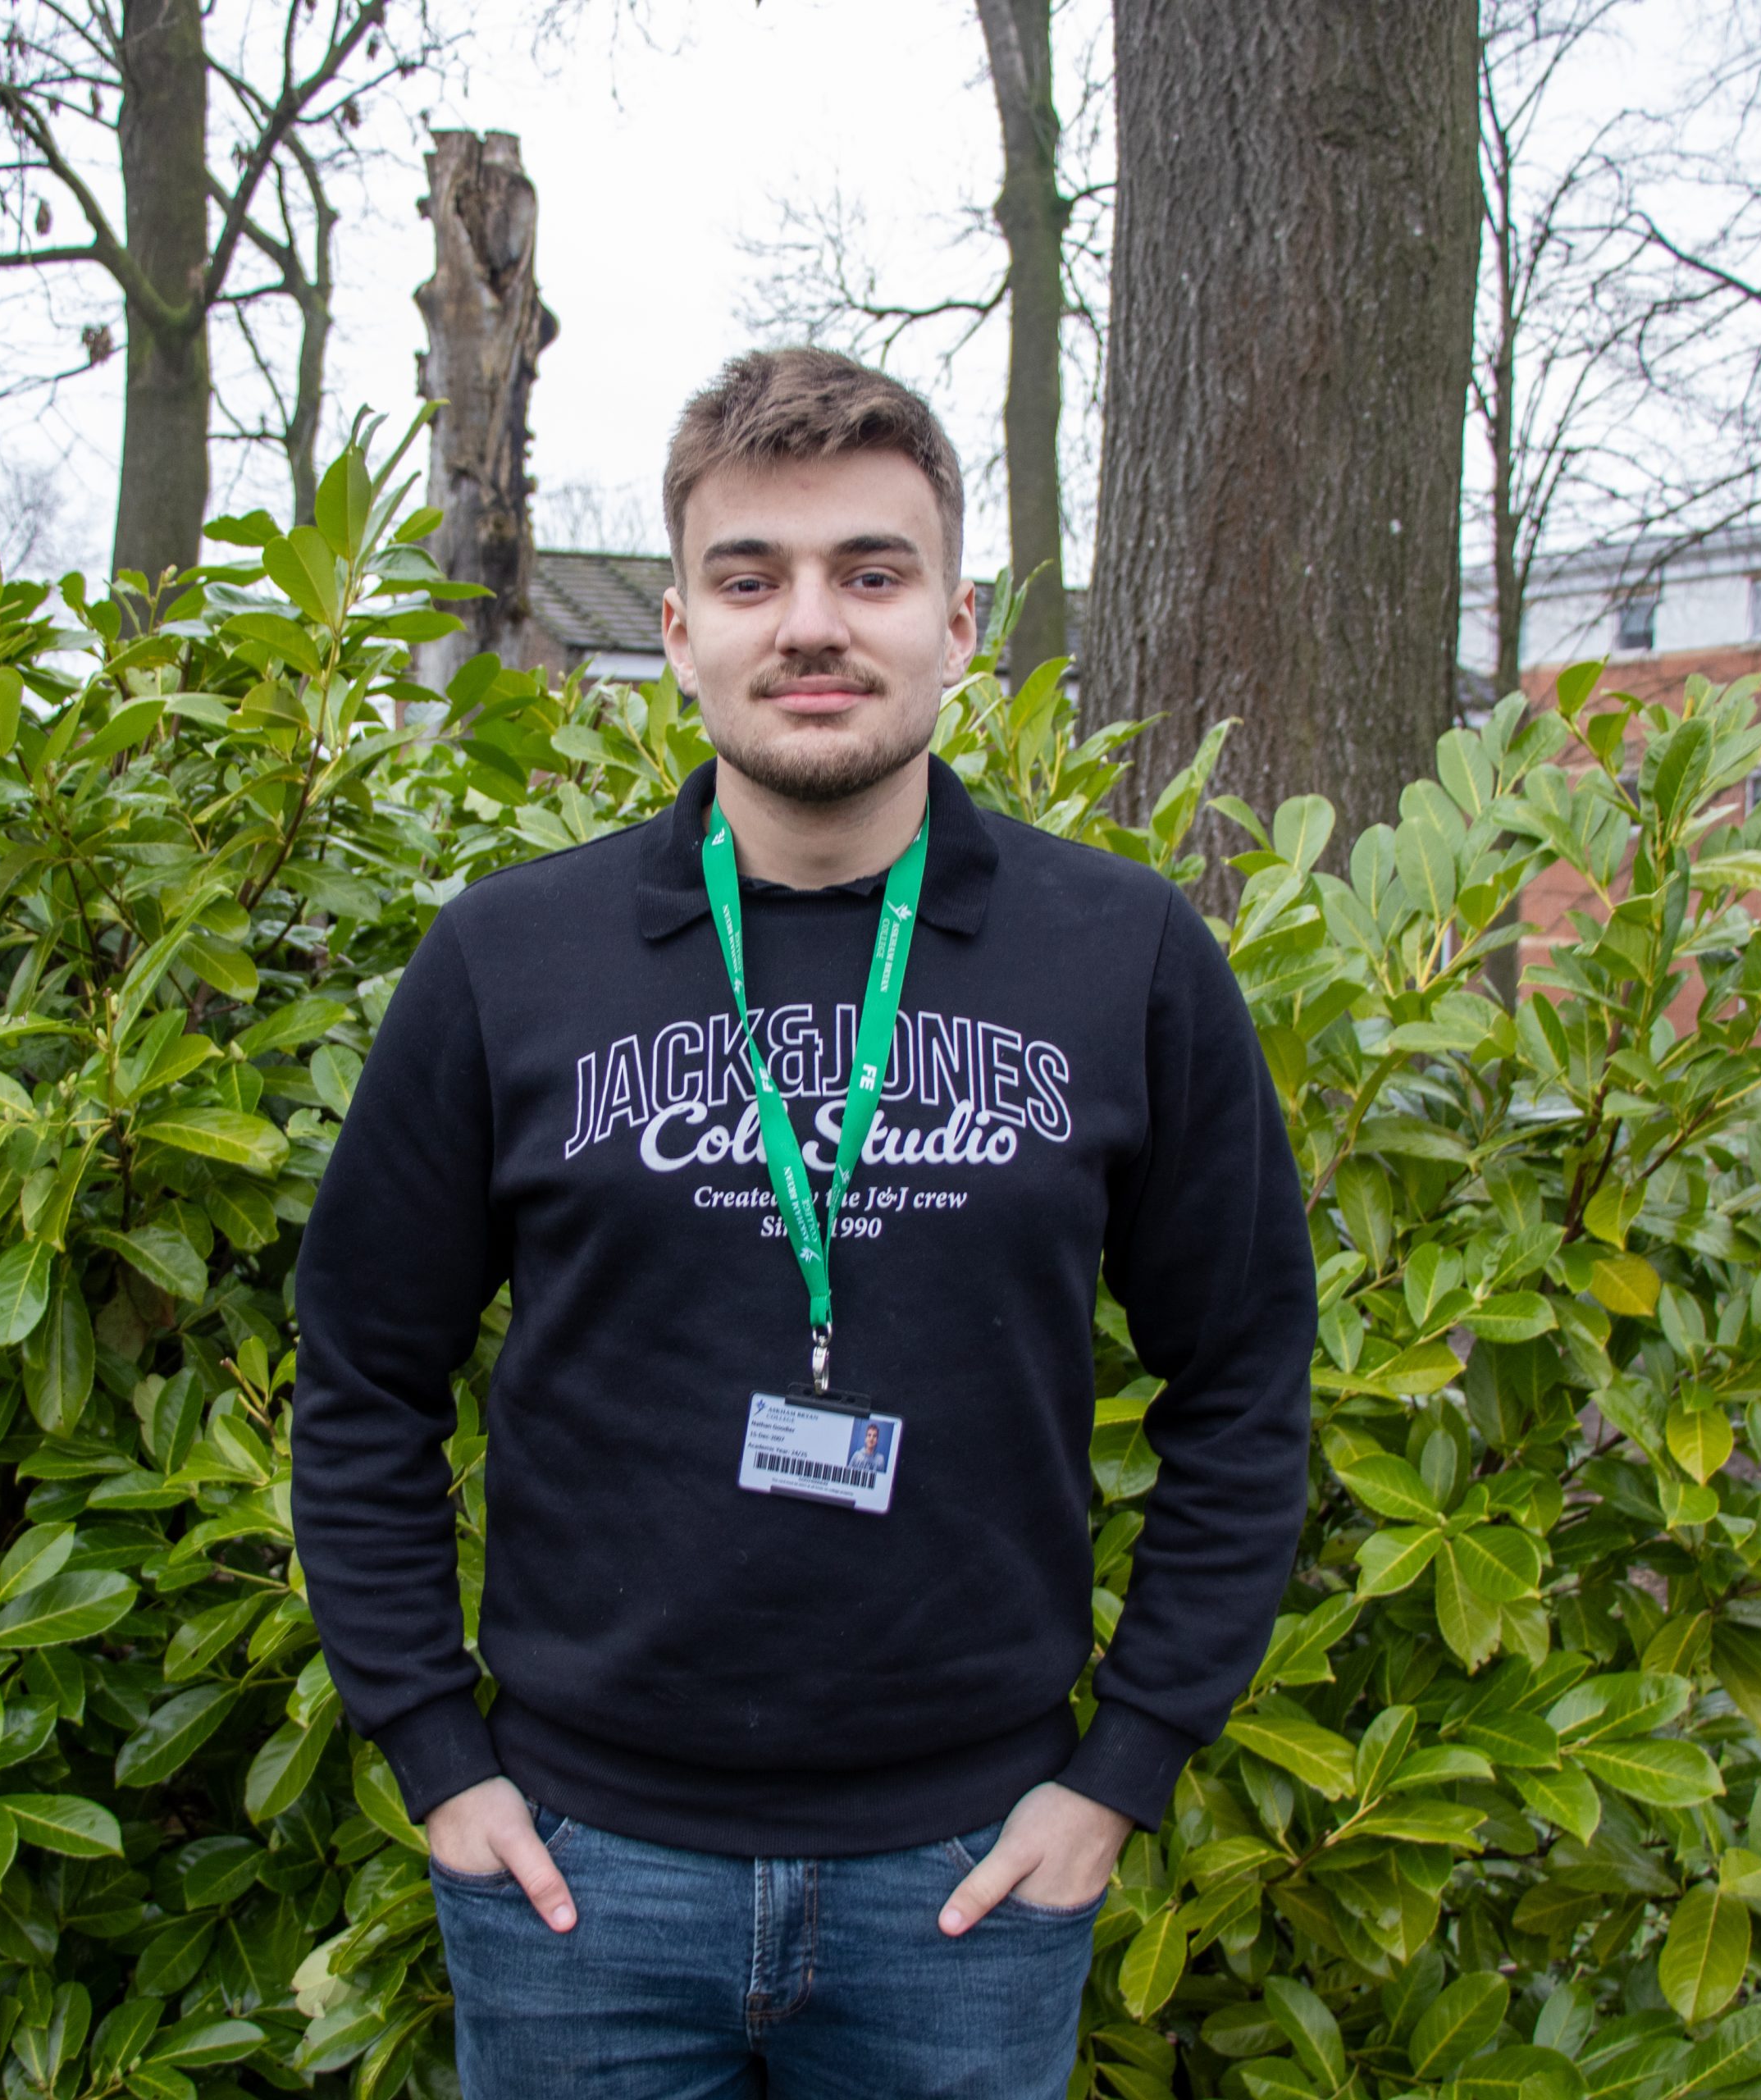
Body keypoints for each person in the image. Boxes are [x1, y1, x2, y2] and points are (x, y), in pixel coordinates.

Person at [290, 346, 1316, 2099]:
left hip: (968, 1880)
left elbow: (1242, 1380)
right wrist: (437, 1755)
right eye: (751, 578)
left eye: (871, 572)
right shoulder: (509, 961)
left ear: (958, 624)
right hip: (580, 1877)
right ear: (679, 630)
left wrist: (1123, 1769)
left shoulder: (1123, 957)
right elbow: (362, 1374)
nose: (811, 626)